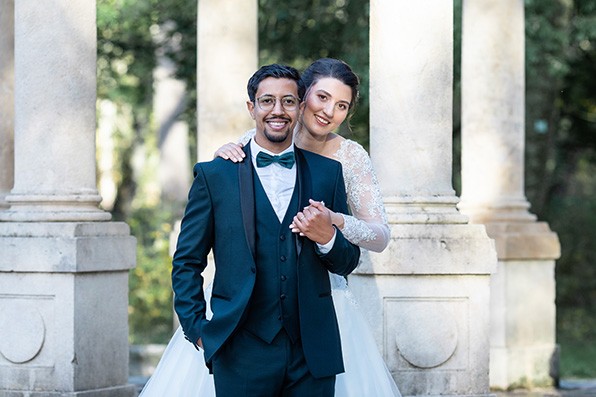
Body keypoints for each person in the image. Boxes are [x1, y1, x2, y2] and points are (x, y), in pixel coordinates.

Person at [139, 59, 401, 397]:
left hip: (314, 340)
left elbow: (356, 251)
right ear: (305, 99)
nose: (328, 111)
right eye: (322, 98)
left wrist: (331, 228)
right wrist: (199, 330)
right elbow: (189, 258)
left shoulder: (335, 167)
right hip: (241, 338)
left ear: (296, 102)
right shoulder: (226, 165)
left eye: (341, 105)